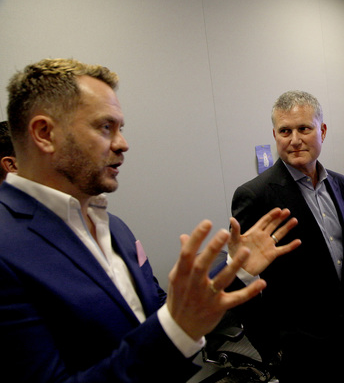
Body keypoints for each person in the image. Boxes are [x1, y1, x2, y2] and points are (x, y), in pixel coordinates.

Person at [0, 58, 301, 382]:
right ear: (44, 133)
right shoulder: (7, 248)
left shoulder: (113, 227)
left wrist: (234, 266)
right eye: (105, 127)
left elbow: (157, 313)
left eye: (121, 128)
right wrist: (177, 333)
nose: (123, 144)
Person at [227, 90, 344, 382]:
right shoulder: (255, 195)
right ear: (275, 135)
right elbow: (240, 281)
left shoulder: (342, 185)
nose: (294, 140)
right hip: (297, 348)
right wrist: (271, 349)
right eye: (285, 131)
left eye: (304, 129)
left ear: (322, 131)